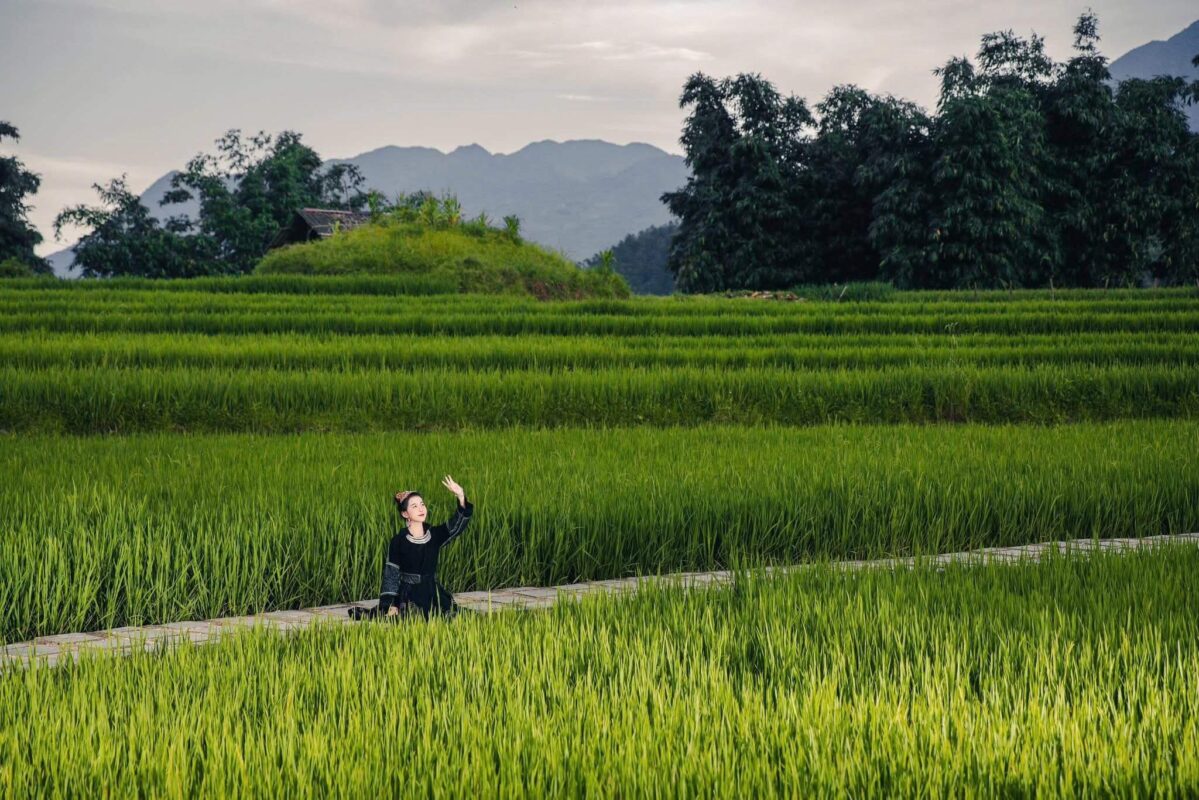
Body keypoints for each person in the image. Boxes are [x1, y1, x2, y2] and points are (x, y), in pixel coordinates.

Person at [349, 475, 474, 621]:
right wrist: (389, 604)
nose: (421, 509)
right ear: (405, 513)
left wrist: (460, 496)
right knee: (412, 618)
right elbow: (391, 574)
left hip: (432, 591)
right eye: (414, 506)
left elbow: (456, 527)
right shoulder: (399, 541)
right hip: (409, 594)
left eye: (422, 504)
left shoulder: (434, 534)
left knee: (456, 616)